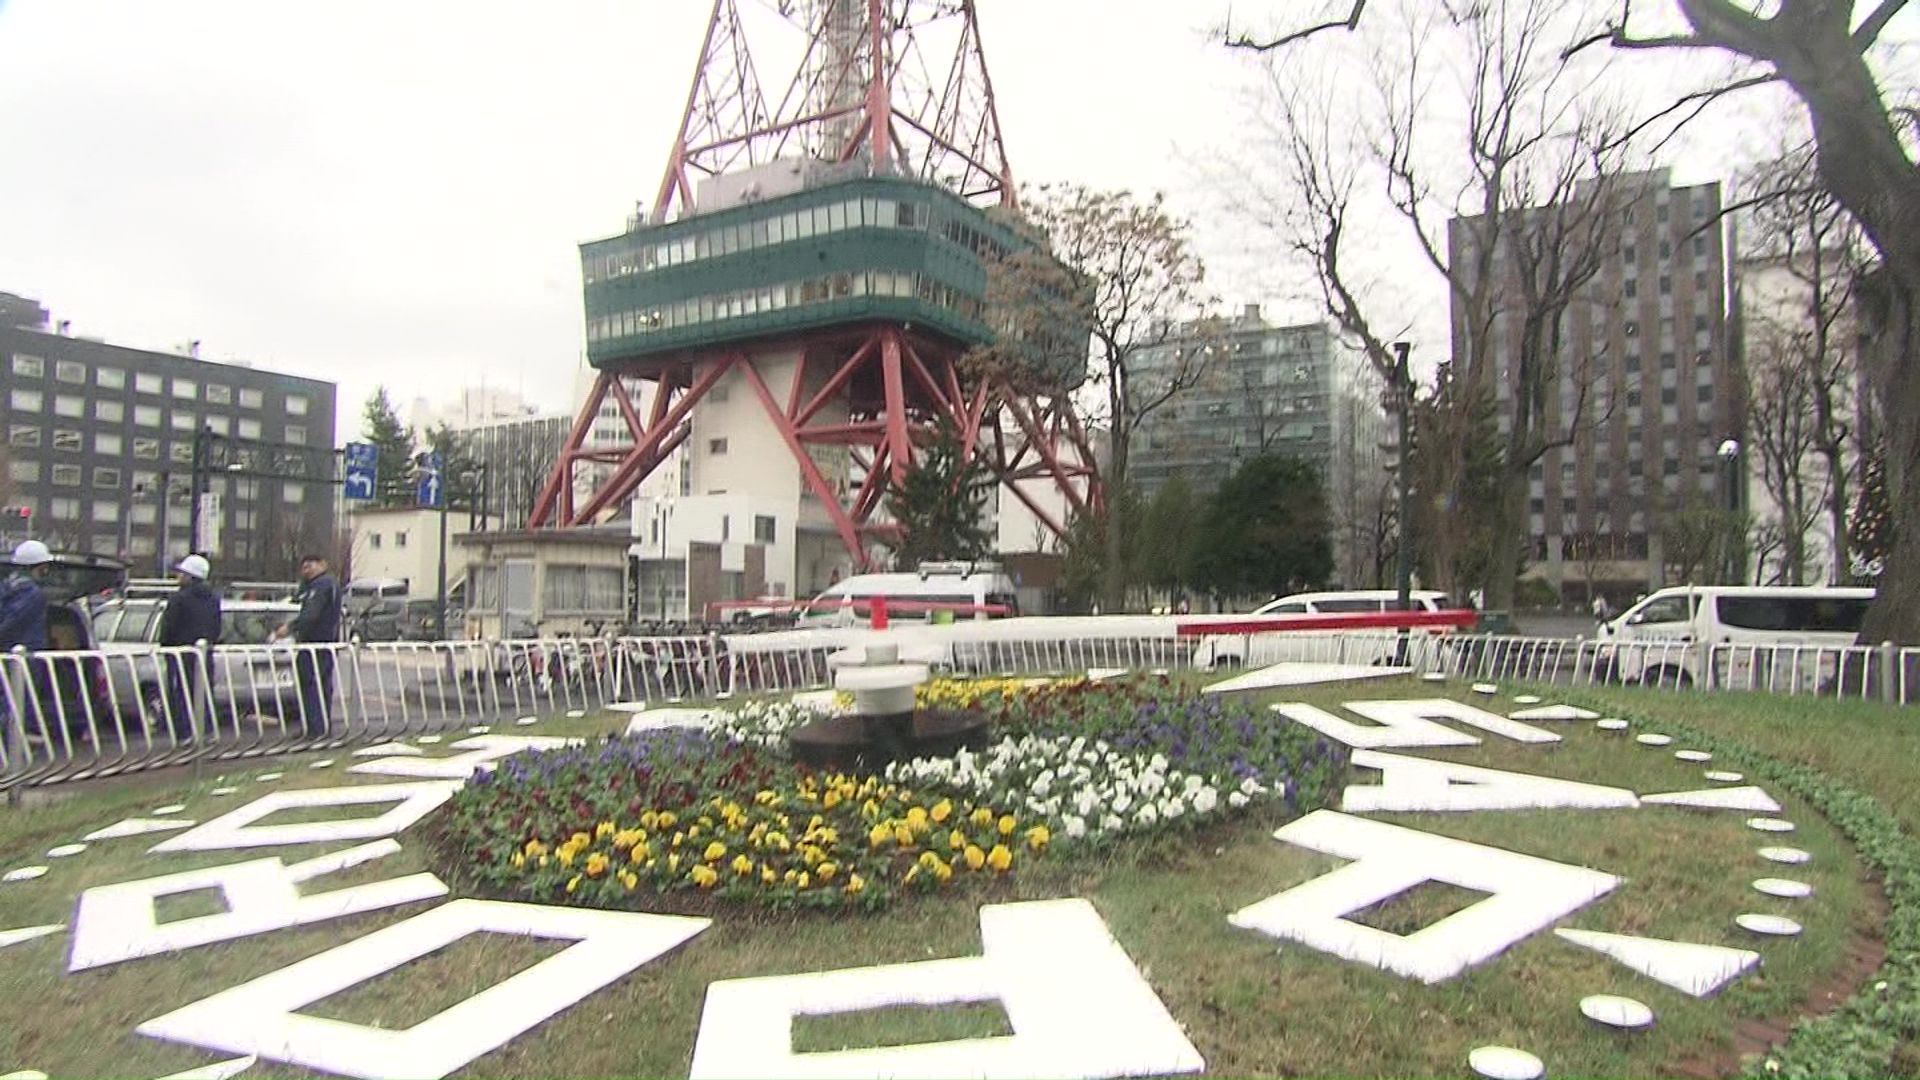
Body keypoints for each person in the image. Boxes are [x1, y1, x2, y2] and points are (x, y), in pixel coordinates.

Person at [273, 554, 341, 738]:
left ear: (322, 565)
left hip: (315, 643)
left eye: (310, 566)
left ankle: (316, 728)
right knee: (320, 686)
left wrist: (290, 627)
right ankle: (318, 727)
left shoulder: (322, 586)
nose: (306, 571)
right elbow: (297, 601)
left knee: (312, 686)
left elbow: (312, 614)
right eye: (304, 567)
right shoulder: (320, 585)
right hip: (323, 644)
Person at [157, 554, 222, 741]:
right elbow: (216, 626)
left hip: (180, 653)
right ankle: (207, 730)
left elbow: (169, 625)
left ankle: (184, 733)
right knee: (204, 691)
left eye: (182, 572)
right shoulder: (213, 598)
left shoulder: (179, 598)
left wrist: (165, 646)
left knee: (181, 693)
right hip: (204, 652)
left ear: (190, 575)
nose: (179, 576)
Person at [0, 540, 54, 735]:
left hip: (6, 656)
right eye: (45, 566)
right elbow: (13, 622)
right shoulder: (32, 594)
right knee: (16, 703)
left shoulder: (6, 587)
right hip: (25, 655)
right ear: (38, 567)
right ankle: (10, 747)